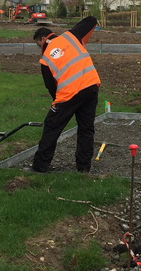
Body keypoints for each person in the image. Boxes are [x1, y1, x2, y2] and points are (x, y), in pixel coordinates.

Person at [28, 16, 101, 173]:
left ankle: (39, 167)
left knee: (51, 127)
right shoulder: (72, 36)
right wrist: (75, 29)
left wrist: (58, 107)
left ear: (43, 39)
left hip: (69, 95)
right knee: (86, 129)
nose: (39, 48)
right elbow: (91, 20)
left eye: (38, 45)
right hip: (91, 87)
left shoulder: (45, 59)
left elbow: (51, 88)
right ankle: (83, 168)